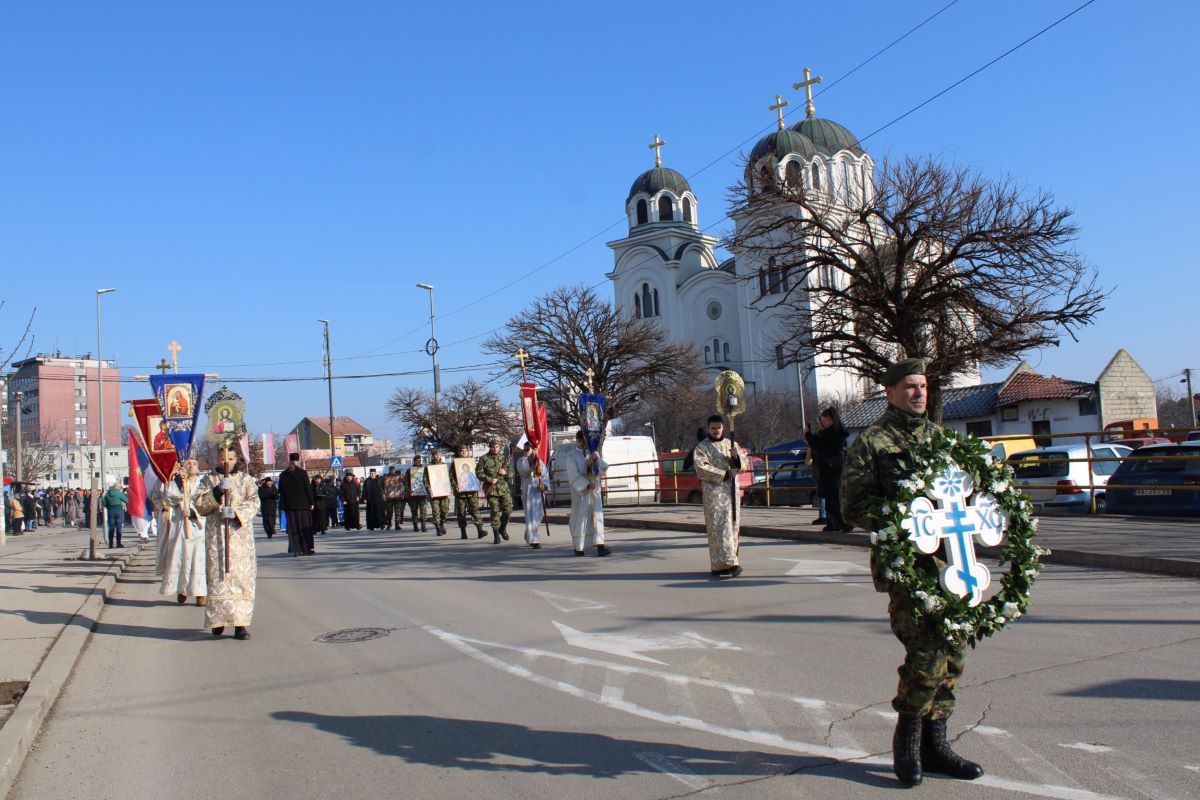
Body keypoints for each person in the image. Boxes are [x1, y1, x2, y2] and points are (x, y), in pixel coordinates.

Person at [842, 357, 984, 788]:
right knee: (925, 654)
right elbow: (853, 507)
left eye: (922, 386)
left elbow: (965, 489)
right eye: (909, 386)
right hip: (908, 567)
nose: (918, 393)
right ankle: (906, 746)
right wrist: (906, 520)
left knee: (954, 652)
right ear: (889, 392)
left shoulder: (942, 440)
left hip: (952, 562)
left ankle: (936, 745)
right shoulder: (872, 442)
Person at [193, 446, 259, 640]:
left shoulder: (246, 480)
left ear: (236, 459)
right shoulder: (208, 479)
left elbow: (254, 502)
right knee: (219, 580)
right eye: (223, 458)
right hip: (217, 539)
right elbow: (200, 504)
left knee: (241, 581)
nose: (226, 462)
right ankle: (218, 620)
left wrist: (237, 512)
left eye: (230, 458)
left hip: (240, 539)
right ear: (217, 459)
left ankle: (240, 625)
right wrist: (218, 491)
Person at [693, 414, 746, 578]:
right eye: (713, 428)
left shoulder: (732, 444)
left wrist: (736, 458)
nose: (716, 431)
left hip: (731, 492)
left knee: (733, 526)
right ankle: (731, 563)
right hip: (714, 494)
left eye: (719, 428)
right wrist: (724, 473)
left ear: (723, 427)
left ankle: (719, 566)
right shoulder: (702, 447)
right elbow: (701, 468)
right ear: (708, 428)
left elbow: (743, 464)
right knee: (720, 528)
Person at [153, 459, 207, 606]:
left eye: (194, 463)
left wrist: (194, 512)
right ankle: (181, 589)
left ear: (198, 468)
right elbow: (169, 499)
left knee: (197, 560)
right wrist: (177, 480)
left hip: (197, 527)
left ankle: (200, 593)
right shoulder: (176, 481)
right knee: (180, 558)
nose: (190, 465)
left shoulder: (203, 483)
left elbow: (209, 504)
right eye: (187, 463)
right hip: (179, 525)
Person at [805, 407, 851, 532]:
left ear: (830, 420)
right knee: (830, 496)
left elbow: (819, 447)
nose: (822, 422)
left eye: (824, 419)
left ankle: (843, 523)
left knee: (834, 496)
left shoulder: (832, 433)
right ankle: (833, 523)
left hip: (832, 467)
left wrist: (809, 436)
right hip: (830, 466)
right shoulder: (833, 432)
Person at [564, 431, 610, 556]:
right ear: (578, 440)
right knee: (581, 518)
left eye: (586, 442)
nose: (584, 444)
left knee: (597, 517)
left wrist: (596, 458)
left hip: (595, 490)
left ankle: (600, 545)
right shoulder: (571, 456)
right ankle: (579, 547)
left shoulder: (593, 452)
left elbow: (604, 467)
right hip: (582, 493)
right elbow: (573, 474)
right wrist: (586, 484)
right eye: (582, 442)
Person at [278, 453, 315, 556]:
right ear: (298, 461)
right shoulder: (302, 473)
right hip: (303, 505)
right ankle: (308, 548)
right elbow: (307, 488)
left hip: (289, 505)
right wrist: (311, 502)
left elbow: (281, 490)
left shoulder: (283, 474)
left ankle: (295, 548)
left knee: (293, 527)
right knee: (305, 526)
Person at [475, 441, 512, 544]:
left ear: (499, 447)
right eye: (493, 447)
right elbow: (478, 473)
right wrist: (489, 479)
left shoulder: (504, 458)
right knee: (495, 511)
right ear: (490, 447)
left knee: (508, 510)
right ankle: (496, 534)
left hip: (504, 489)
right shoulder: (484, 459)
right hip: (491, 490)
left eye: (497, 446)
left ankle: (502, 528)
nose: (495, 448)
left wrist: (505, 473)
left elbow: (511, 472)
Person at [516, 443, 546, 549]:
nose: (526, 452)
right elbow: (524, 470)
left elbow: (545, 474)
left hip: (538, 491)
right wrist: (532, 459)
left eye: (528, 450)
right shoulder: (521, 460)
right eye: (525, 450)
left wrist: (544, 485)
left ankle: (528, 534)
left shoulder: (538, 460)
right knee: (531, 514)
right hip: (528, 491)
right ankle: (534, 540)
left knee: (539, 514)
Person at [451, 446, 486, 539]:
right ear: (459, 452)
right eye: (462, 451)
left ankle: (480, 531)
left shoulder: (472, 462)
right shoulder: (454, 464)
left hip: (472, 491)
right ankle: (463, 532)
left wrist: (480, 483)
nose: (464, 452)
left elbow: (478, 474)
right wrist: (455, 485)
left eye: (465, 450)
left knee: (475, 510)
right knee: (461, 513)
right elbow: (451, 477)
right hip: (460, 493)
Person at [426, 451, 450, 537]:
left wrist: (449, 488)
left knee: (444, 510)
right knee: (436, 511)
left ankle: (442, 523)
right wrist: (430, 490)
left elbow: (448, 477)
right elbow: (425, 480)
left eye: (439, 454)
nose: (437, 456)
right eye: (435, 455)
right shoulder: (429, 467)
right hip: (434, 493)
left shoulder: (444, 465)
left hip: (443, 492)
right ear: (432, 456)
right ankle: (438, 528)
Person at [404, 456, 429, 532]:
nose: (418, 462)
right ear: (414, 461)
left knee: (423, 510)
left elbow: (429, 480)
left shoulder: (425, 470)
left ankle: (423, 525)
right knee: (414, 510)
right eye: (417, 460)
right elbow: (405, 483)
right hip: (413, 495)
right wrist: (409, 490)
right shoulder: (409, 471)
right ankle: (415, 526)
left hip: (423, 494)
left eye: (419, 460)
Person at [102, 483, 129, 548]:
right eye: (120, 488)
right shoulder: (119, 493)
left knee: (111, 528)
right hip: (119, 511)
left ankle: (110, 544)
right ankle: (118, 543)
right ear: (118, 488)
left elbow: (104, 503)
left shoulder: (107, 494)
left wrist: (109, 507)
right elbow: (126, 500)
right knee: (118, 528)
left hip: (110, 512)